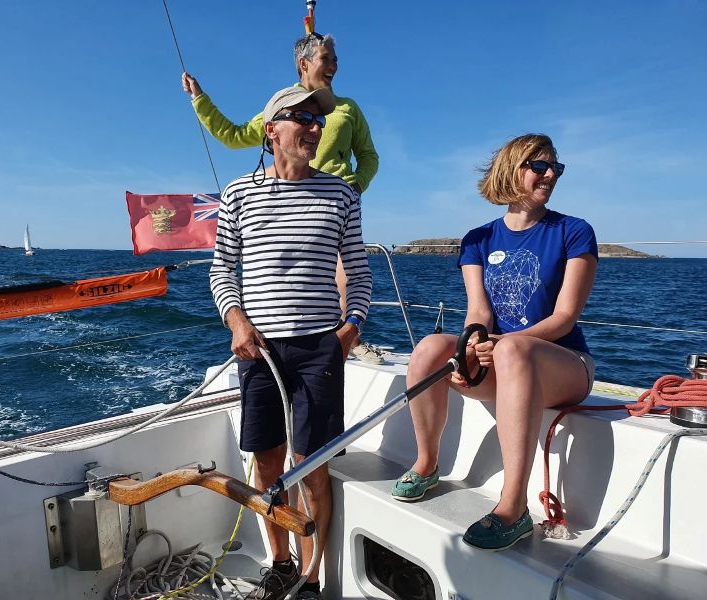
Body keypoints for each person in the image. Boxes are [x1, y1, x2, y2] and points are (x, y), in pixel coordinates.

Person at [390, 134, 598, 552]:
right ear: (512, 169)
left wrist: (501, 344)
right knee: (432, 347)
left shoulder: (574, 232)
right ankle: (427, 464)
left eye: (556, 167)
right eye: (539, 166)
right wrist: (471, 346)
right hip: (503, 360)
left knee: (512, 349)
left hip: (565, 365)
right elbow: (478, 313)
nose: (550, 174)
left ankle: (514, 507)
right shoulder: (478, 240)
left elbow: (564, 318)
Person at [210, 86, 372, 599]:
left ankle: (311, 576)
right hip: (258, 349)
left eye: (317, 119)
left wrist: (351, 328)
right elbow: (222, 271)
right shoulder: (238, 194)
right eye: (301, 117)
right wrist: (236, 321)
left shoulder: (342, 195)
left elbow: (360, 272)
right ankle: (280, 562)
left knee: (313, 467)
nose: (315, 126)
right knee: (268, 461)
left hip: (319, 348)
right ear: (270, 130)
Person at [186, 33, 382, 364]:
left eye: (335, 59)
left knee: (346, 271)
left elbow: (369, 156)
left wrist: (356, 185)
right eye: (326, 58)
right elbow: (233, 136)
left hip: (334, 202)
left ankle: (348, 336)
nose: (333, 65)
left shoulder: (348, 109)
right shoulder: (280, 109)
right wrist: (200, 100)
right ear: (304, 64)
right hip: (283, 202)